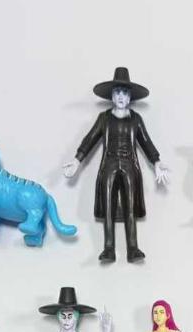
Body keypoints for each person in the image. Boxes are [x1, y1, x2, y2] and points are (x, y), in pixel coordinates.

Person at [63, 67, 169, 263]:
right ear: (112, 96)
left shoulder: (136, 119)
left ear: (130, 98)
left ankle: (133, 248)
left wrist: (157, 161)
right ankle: (108, 248)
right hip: (109, 164)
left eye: (125, 92)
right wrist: (77, 160)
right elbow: (90, 139)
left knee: (130, 205)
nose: (121, 96)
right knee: (108, 205)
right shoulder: (104, 118)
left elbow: (146, 142)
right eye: (118, 92)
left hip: (129, 165)